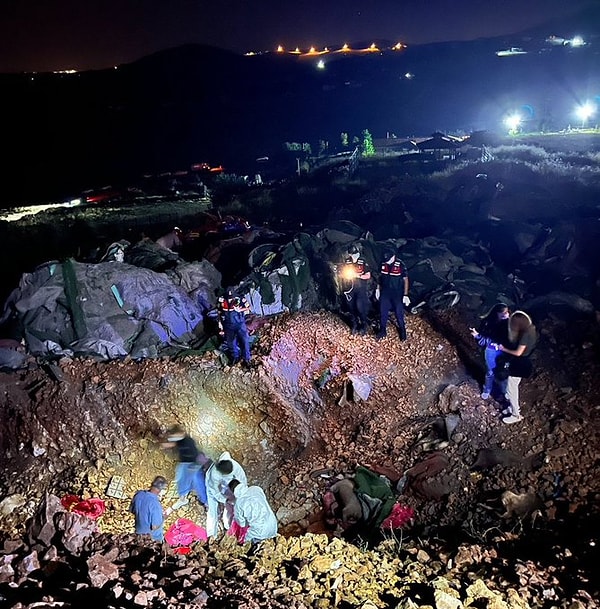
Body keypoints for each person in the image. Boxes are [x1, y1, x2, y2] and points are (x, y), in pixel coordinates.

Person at [496, 310, 537, 424]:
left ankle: (516, 414)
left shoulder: (525, 335)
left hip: (520, 364)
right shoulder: (531, 329)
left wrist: (503, 349)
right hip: (523, 362)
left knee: (511, 390)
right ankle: (512, 407)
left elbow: (518, 353)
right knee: (513, 386)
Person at [161, 425, 208, 510]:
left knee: (198, 483)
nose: (172, 438)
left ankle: (205, 501)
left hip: (193, 463)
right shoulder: (179, 440)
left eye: (173, 436)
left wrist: (194, 466)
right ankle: (183, 498)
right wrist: (168, 445)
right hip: (184, 463)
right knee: (180, 479)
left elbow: (195, 454)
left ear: (179, 434)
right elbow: (175, 443)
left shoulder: (189, 441)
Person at [470, 302, 510, 400]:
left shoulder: (509, 324)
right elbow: (486, 339)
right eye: (503, 313)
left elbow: (509, 340)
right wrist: (478, 336)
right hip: (491, 351)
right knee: (490, 372)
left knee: (504, 372)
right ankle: (487, 390)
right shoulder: (488, 323)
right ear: (497, 313)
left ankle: (505, 393)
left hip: (504, 351)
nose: (506, 315)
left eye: (507, 312)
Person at [205, 451, 247, 537]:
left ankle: (228, 525)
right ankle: (211, 534)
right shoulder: (214, 474)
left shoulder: (235, 466)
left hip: (228, 485)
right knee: (213, 511)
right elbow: (215, 492)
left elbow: (242, 481)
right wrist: (224, 500)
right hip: (212, 488)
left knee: (232, 505)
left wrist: (240, 495)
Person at [228, 479, 278, 543]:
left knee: (247, 541)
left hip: (260, 532)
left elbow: (242, 524)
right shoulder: (256, 489)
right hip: (273, 524)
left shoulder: (238, 504)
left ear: (233, 492)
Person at [376, 247, 410, 340]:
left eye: (389, 259)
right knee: (383, 312)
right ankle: (382, 331)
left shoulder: (400, 264)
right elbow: (380, 277)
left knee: (399, 313)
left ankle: (402, 331)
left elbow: (406, 279)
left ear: (393, 256)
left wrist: (405, 295)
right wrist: (377, 289)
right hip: (385, 292)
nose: (387, 261)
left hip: (397, 293)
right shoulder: (383, 263)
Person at [339, 244, 372, 335]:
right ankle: (354, 324)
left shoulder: (363, 261)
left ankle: (364, 325)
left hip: (361, 287)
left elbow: (368, 275)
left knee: (360, 307)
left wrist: (358, 276)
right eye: (351, 255)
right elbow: (343, 273)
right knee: (351, 307)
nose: (353, 256)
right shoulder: (347, 261)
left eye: (354, 254)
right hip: (349, 288)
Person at [218, 287, 252, 367]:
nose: (230, 300)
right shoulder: (222, 300)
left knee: (244, 341)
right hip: (228, 325)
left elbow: (249, 307)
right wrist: (220, 326)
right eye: (229, 298)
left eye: (232, 298)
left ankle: (246, 359)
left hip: (239, 324)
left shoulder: (241, 299)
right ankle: (235, 358)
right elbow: (219, 312)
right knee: (231, 343)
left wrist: (240, 309)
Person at [129, 476, 168, 542]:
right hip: (151, 539)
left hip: (138, 534)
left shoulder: (138, 494)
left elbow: (132, 510)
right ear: (162, 490)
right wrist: (163, 518)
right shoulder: (155, 505)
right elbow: (154, 527)